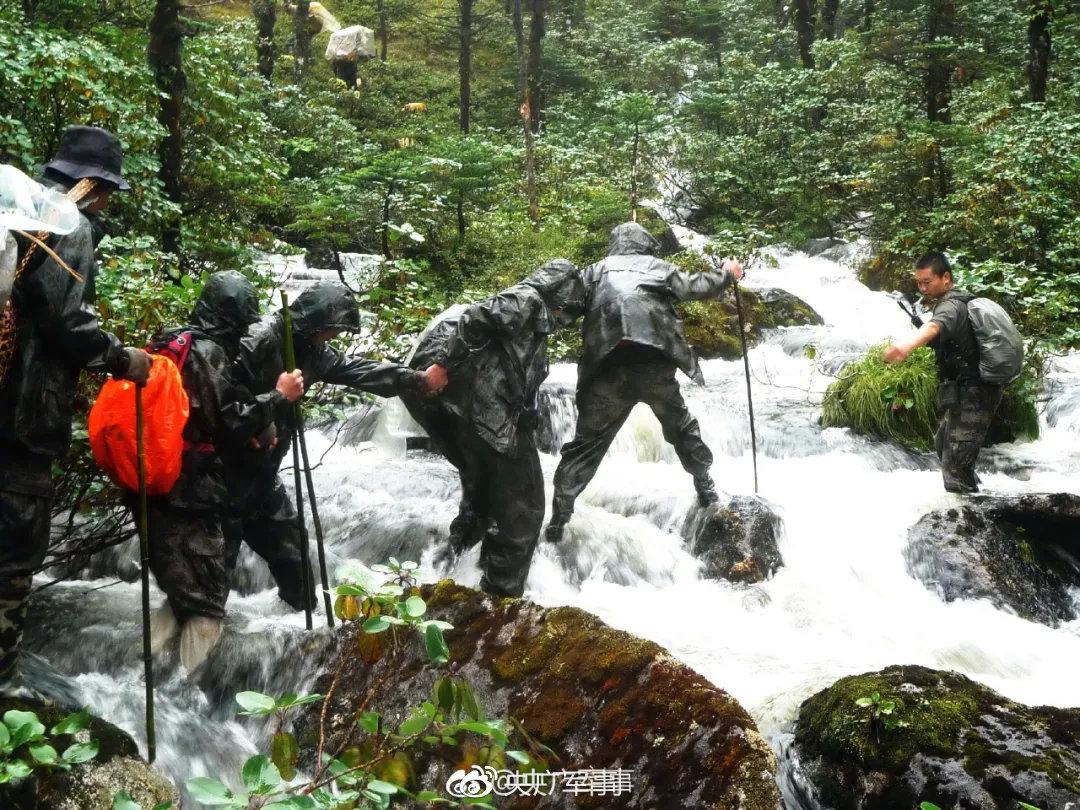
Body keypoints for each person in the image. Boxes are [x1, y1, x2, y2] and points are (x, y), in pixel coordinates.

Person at [0, 126, 152, 698]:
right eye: (109, 190)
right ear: (92, 184)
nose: (108, 202)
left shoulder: (10, 212)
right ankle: (3, 685)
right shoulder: (67, 224)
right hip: (21, 412)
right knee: (14, 546)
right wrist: (121, 359)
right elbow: (67, 324)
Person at [225, 281, 447, 609]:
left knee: (295, 557)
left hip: (262, 477)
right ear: (314, 324)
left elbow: (355, 369)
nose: (333, 338)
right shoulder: (257, 341)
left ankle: (293, 634)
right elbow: (221, 402)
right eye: (331, 331)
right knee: (214, 572)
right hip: (224, 478)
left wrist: (412, 379)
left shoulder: (312, 352)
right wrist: (267, 410)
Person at [144, 271, 305, 670]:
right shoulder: (208, 351)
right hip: (191, 480)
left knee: (182, 580)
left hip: (154, 471)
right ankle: (187, 682)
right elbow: (230, 421)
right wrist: (278, 397)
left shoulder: (171, 340)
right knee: (210, 589)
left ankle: (149, 664)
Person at [546, 222, 743, 542]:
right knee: (682, 428)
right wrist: (728, 274)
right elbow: (695, 286)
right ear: (644, 244)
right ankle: (705, 486)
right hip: (653, 367)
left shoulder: (593, 272)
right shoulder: (658, 268)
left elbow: (563, 311)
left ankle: (559, 515)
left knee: (585, 445)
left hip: (608, 370)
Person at [403, 260, 585, 597]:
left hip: (465, 410)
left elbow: (520, 374)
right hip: (473, 408)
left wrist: (526, 419)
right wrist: (443, 366)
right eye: (570, 306)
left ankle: (453, 572)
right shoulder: (527, 301)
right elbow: (475, 317)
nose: (569, 316)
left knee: (483, 491)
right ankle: (500, 596)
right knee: (526, 509)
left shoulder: (532, 315)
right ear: (560, 293)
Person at [883, 252, 1002, 493]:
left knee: (954, 466)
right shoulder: (955, 301)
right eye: (919, 283)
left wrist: (905, 347)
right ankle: (976, 498)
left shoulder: (951, 306)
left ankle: (971, 520)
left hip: (977, 392)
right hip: (966, 390)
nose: (922, 288)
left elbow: (935, 326)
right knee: (944, 445)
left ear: (945, 278)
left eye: (927, 282)